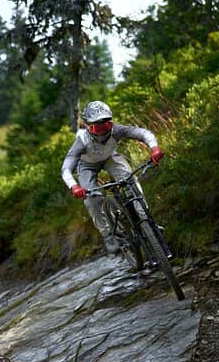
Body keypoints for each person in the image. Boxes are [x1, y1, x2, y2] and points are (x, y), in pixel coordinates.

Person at [61, 100, 164, 255]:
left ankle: (148, 222)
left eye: (106, 125)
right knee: (92, 199)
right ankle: (108, 236)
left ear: (111, 122)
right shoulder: (81, 141)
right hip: (86, 165)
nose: (103, 131)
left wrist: (154, 148)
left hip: (110, 158)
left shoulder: (116, 130)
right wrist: (74, 186)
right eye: (97, 127)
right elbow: (66, 168)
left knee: (130, 181)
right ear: (88, 127)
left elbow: (143, 133)